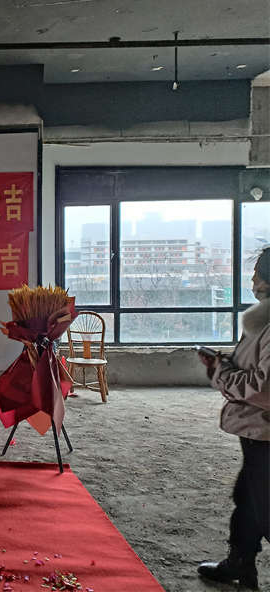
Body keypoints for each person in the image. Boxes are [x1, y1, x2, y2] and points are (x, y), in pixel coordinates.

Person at [197, 247, 270, 590]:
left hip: (265, 428)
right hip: (258, 428)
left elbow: (263, 387)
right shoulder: (262, 318)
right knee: (248, 497)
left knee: (263, 505)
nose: (252, 280)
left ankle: (241, 563)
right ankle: (241, 564)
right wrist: (225, 363)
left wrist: (221, 373)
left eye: (257, 273)